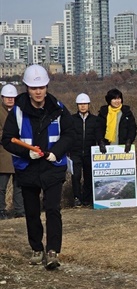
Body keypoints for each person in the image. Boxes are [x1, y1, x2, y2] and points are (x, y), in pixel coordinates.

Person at [1, 64, 75, 270]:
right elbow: (7, 139)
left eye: (42, 87)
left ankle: (52, 251)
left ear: (47, 87)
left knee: (53, 209)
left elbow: (70, 134)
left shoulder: (58, 109)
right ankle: (36, 248)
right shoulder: (17, 111)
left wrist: (56, 152)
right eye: (34, 88)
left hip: (53, 166)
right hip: (28, 168)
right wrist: (27, 152)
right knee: (32, 212)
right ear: (27, 88)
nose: (38, 91)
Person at [70, 93, 100, 207]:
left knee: (88, 176)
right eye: (80, 104)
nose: (83, 106)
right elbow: (68, 135)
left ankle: (87, 198)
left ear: (88, 105)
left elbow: (98, 135)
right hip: (75, 152)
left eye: (85, 104)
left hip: (89, 152)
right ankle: (77, 197)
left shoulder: (95, 120)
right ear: (77, 105)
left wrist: (100, 144)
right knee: (76, 176)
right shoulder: (72, 119)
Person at [0, 84, 25, 219]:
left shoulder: (20, 111)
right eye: (7, 97)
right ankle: (1, 211)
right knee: (1, 187)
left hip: (19, 154)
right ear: (2, 98)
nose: (10, 100)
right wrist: (10, 137)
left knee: (19, 186)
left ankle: (20, 211)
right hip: (3, 154)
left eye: (12, 97)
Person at [97, 88, 136, 154]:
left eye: (119, 98)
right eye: (114, 99)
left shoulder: (126, 112)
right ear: (109, 100)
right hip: (107, 147)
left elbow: (132, 128)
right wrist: (100, 141)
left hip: (123, 147)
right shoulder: (103, 113)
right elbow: (98, 129)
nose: (117, 101)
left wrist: (129, 140)